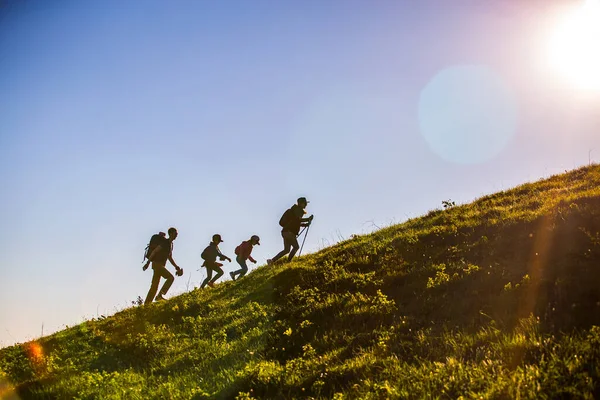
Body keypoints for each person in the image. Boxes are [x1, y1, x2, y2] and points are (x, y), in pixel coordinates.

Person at [267, 197, 313, 265]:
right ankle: (288, 262)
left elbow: (295, 222)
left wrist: (305, 224)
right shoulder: (298, 210)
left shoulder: (293, 210)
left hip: (285, 232)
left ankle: (271, 261)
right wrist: (307, 219)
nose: (306, 205)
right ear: (301, 203)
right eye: (305, 203)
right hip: (290, 232)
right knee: (296, 247)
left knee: (286, 250)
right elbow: (297, 220)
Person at [144, 227, 182, 304]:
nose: (176, 235)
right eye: (175, 233)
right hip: (157, 265)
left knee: (154, 286)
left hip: (159, 265)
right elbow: (155, 251)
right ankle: (159, 296)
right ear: (171, 234)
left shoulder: (170, 244)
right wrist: (147, 263)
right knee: (170, 277)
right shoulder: (165, 243)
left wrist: (176, 267)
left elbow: (169, 257)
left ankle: (147, 304)